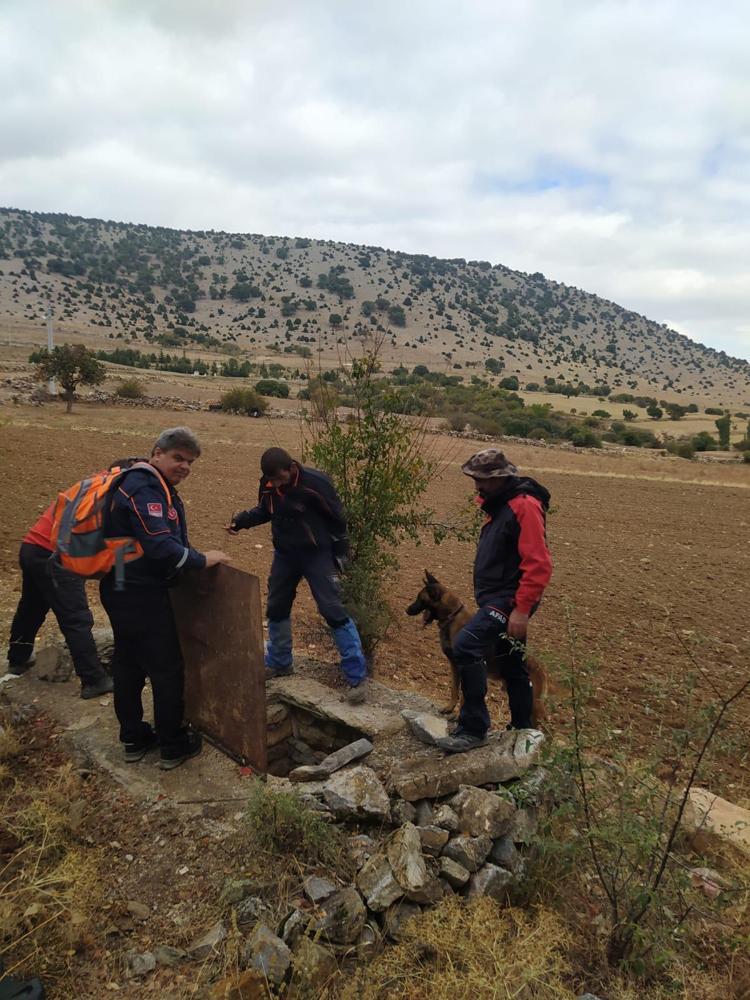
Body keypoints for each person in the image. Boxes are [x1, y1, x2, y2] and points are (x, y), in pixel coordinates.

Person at [100, 427, 230, 769]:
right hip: (139, 592)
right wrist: (202, 560)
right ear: (157, 453)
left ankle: (132, 738)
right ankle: (173, 744)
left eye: (190, 462)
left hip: (121, 583)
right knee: (167, 668)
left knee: (128, 662)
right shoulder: (144, 486)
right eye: (178, 458)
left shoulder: (143, 482)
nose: (185, 466)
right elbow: (160, 546)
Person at [226, 447, 368, 703]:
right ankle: (280, 662)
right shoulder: (268, 483)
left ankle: (356, 678)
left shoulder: (316, 483)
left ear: (291, 468)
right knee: (276, 605)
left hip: (316, 554)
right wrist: (242, 520)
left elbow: (338, 519)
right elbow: (266, 510)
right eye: (271, 480)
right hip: (285, 554)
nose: (275, 484)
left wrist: (341, 556)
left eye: (279, 478)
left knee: (332, 609)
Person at [436, 449, 552, 754]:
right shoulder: (499, 504)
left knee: (465, 646)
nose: (477, 484)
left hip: (508, 599)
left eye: (483, 479)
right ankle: (523, 730)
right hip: (501, 598)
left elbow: (539, 563)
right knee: (512, 663)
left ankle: (473, 729)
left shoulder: (523, 506)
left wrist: (521, 609)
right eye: (474, 478)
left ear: (501, 477)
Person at [5, 468, 124, 699]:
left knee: (31, 607)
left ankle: (18, 659)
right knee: (76, 618)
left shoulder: (92, 485)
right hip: (57, 556)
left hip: (33, 546)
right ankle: (94, 679)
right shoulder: (113, 493)